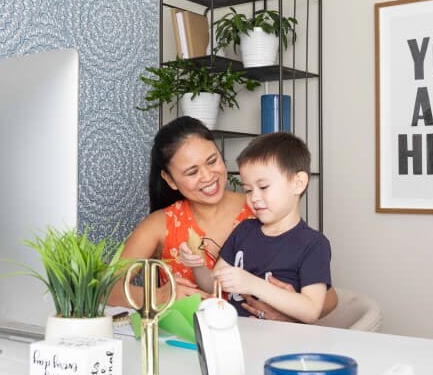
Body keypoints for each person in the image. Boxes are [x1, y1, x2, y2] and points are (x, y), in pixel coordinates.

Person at [181, 132, 335, 324]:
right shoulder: (244, 231)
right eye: (248, 190)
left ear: (298, 183)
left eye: (263, 187)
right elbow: (213, 284)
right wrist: (196, 264)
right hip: (238, 335)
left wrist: (252, 284)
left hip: (284, 344)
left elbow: (311, 309)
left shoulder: (313, 244)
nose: (254, 197)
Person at [107, 116, 254, 307]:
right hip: (186, 337)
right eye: (192, 172)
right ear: (170, 180)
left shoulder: (258, 208)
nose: (208, 176)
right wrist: (158, 296)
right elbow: (105, 289)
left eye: (212, 161)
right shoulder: (160, 224)